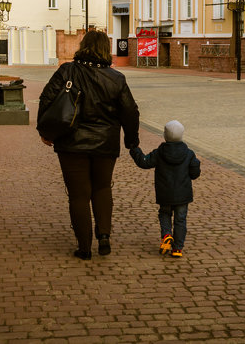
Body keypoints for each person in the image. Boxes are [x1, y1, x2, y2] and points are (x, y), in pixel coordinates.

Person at [37, 30, 140, 260]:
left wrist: (45, 131)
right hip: (105, 144)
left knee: (78, 195)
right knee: (103, 188)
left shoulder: (67, 71)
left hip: (71, 144)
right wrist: (131, 142)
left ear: (83, 46)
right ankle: (104, 236)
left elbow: (47, 98)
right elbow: (130, 112)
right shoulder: (116, 78)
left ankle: (84, 247)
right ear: (106, 49)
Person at [130, 120, 201, 258]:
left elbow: (144, 162)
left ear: (165, 135)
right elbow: (194, 174)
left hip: (165, 193)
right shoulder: (189, 153)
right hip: (183, 194)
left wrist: (135, 150)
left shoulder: (159, 152)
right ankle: (177, 248)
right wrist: (196, 165)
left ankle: (167, 235)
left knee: (164, 214)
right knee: (180, 220)